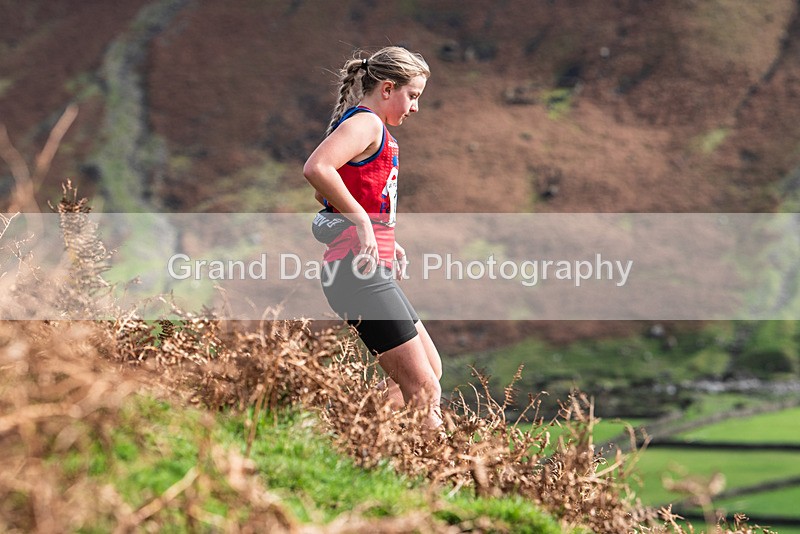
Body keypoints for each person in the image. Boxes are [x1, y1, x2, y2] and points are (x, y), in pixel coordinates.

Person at [303, 46, 442, 430]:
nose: (415, 107)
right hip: (355, 273)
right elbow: (316, 169)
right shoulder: (366, 124)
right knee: (423, 389)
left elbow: (327, 192)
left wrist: (380, 232)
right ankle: (444, 466)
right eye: (412, 95)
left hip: (366, 269)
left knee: (431, 370)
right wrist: (363, 222)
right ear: (387, 88)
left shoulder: (373, 129)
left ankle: (344, 434)